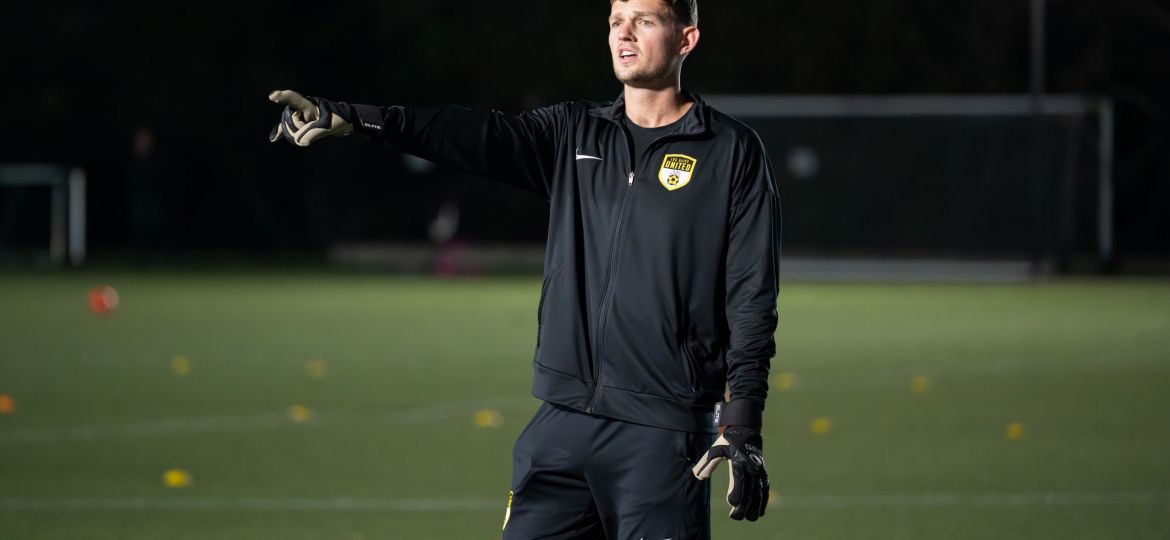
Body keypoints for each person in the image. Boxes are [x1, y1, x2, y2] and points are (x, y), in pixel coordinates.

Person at [269, 0, 781, 537]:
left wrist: (742, 422)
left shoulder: (730, 152)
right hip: (560, 426)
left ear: (686, 39)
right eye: (614, 21)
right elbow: (471, 135)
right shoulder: (574, 133)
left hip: (661, 435)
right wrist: (357, 118)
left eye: (644, 20)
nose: (623, 33)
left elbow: (750, 296)